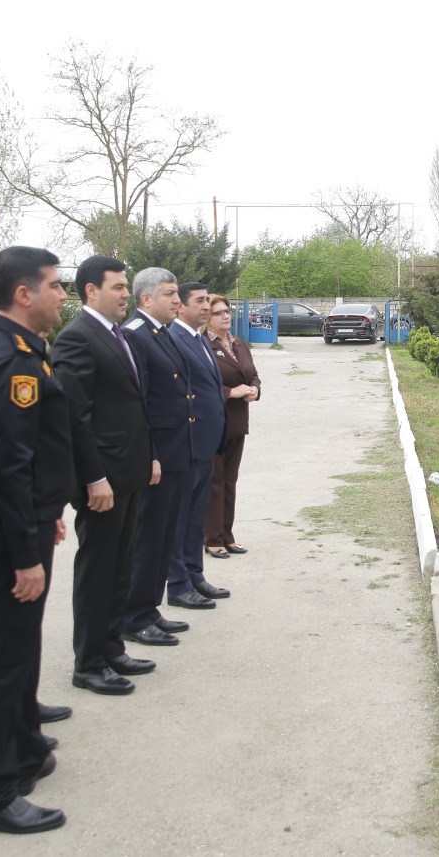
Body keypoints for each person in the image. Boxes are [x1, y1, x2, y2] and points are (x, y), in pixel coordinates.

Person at [0, 246, 75, 835]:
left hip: (25, 520)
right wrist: (25, 553)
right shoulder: (11, 361)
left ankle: (24, 749)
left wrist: (46, 509)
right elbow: (7, 467)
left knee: (19, 647)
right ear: (25, 294)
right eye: (55, 285)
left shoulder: (21, 347)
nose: (63, 294)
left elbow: (30, 459)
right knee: (3, 660)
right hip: (10, 535)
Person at [51, 255, 155, 696]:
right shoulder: (77, 338)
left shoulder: (115, 333)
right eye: (119, 287)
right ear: (91, 291)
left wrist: (147, 459)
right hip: (103, 481)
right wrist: (92, 477)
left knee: (119, 566)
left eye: (126, 287)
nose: (126, 294)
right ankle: (89, 662)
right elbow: (75, 416)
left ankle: (112, 648)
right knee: (97, 571)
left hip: (128, 473)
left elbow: (132, 405)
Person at [120, 268, 219, 643]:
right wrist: (151, 454)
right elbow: (141, 402)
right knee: (149, 539)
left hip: (179, 448)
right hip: (160, 453)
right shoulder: (136, 334)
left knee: (162, 537)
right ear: (146, 298)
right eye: (170, 294)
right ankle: (135, 616)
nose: (177, 301)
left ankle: (148, 609)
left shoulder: (159, 333)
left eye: (178, 294)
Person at [166, 282, 229, 602]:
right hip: (186, 443)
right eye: (200, 301)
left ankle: (195, 575)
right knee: (179, 518)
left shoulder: (199, 338)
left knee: (195, 516)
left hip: (206, 442)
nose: (206, 306)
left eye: (208, 300)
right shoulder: (173, 339)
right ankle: (178, 584)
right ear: (181, 306)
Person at [203, 293, 261, 559]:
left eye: (227, 311)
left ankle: (227, 535)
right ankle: (212, 538)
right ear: (207, 318)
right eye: (219, 313)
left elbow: (253, 374)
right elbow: (199, 384)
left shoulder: (238, 344)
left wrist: (254, 390)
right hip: (213, 422)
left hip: (237, 421)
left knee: (230, 480)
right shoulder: (203, 345)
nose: (226, 316)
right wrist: (229, 392)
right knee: (214, 481)